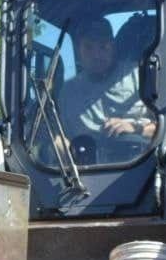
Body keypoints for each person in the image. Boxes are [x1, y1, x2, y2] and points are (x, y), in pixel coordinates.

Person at [57, 18, 155, 160]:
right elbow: (57, 137)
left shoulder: (138, 76)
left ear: (113, 47)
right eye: (88, 47)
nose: (96, 55)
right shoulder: (67, 93)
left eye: (103, 46)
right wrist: (60, 145)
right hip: (84, 172)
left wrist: (135, 128)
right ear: (78, 50)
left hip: (141, 165)